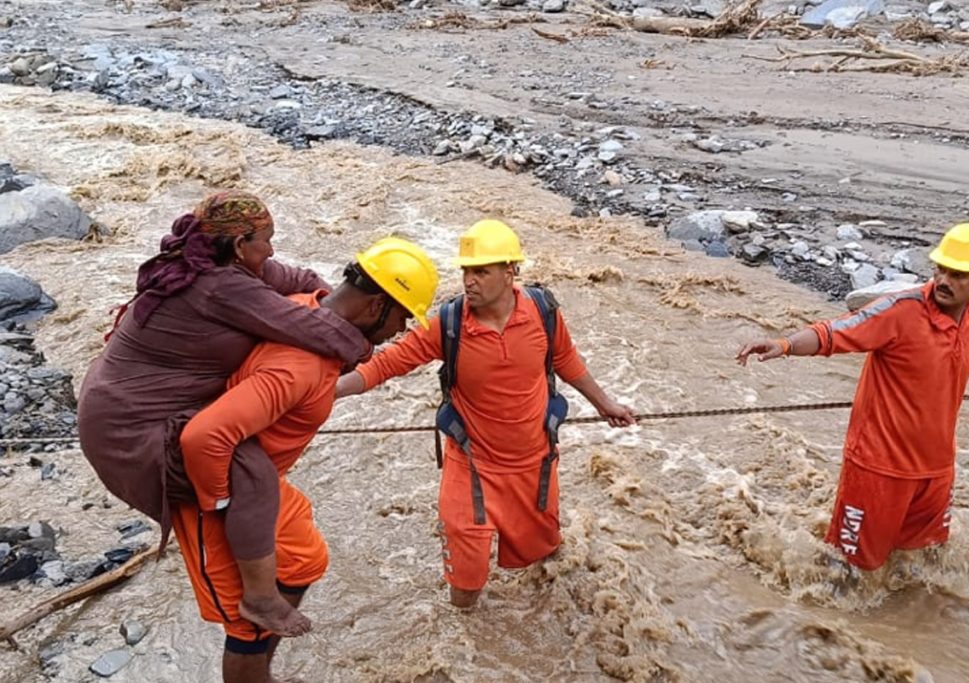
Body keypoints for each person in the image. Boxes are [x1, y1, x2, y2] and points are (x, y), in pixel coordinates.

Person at [77, 190, 372, 638]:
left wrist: (328, 294)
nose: (271, 250)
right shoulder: (219, 285)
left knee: (245, 470)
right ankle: (258, 598)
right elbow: (310, 329)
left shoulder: (217, 259)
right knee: (248, 475)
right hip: (130, 426)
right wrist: (366, 342)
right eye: (266, 240)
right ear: (239, 244)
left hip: (115, 403)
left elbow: (294, 277)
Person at [175, 237, 438, 683]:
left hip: (257, 480)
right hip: (216, 486)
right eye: (401, 317)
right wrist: (218, 504)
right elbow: (204, 437)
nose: (400, 330)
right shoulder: (300, 364)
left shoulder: (304, 307)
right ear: (377, 306)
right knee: (248, 623)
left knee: (304, 558)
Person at [335, 219, 635, 608]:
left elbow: (565, 359)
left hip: (535, 463)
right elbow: (386, 364)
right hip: (471, 466)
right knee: (466, 576)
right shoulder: (448, 323)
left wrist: (605, 404)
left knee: (542, 559)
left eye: (481, 271)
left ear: (510, 271)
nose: (469, 281)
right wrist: (327, 391)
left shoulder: (543, 311)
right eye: (465, 271)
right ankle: (466, 643)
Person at [736, 222, 969, 571]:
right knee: (847, 568)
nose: (945, 281)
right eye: (941, 269)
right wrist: (784, 345)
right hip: (877, 468)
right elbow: (834, 333)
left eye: (959, 274)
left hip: (935, 471)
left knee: (920, 564)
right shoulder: (900, 311)